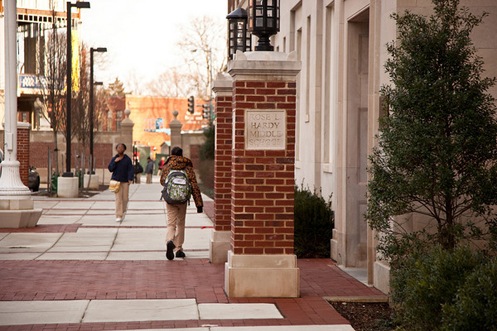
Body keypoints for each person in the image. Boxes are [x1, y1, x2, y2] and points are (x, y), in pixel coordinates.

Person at [160, 146, 203, 260]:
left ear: (172, 154)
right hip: (183, 200)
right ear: (181, 154)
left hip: (170, 199)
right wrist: (199, 204)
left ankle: (170, 241)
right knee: (181, 223)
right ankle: (178, 249)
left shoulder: (168, 166)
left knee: (171, 223)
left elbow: (162, 181)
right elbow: (194, 185)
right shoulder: (187, 167)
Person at [108, 143, 134, 222]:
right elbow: (110, 169)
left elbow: (130, 169)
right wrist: (115, 162)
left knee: (125, 198)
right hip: (116, 181)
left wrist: (130, 178)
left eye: (121, 147)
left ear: (124, 149)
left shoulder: (127, 159)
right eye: (118, 147)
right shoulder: (114, 158)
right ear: (116, 149)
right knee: (118, 199)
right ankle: (118, 215)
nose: (120, 149)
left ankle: (123, 211)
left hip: (125, 181)